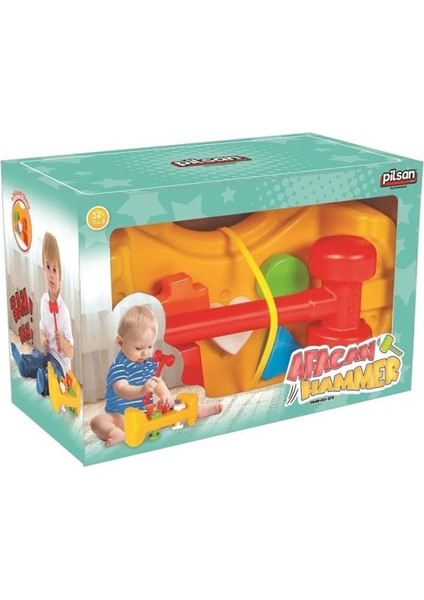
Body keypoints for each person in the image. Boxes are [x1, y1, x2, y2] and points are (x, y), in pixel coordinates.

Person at [91, 305, 222, 447]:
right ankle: (115, 432)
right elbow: (122, 389)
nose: (145, 353)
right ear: (120, 342)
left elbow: (157, 382)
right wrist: (142, 390)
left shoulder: (148, 362)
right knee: (97, 421)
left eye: (150, 346)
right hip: (123, 417)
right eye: (138, 348)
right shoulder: (119, 366)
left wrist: (165, 396)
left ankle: (196, 410)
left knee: (175, 404)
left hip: (148, 413)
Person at [11, 232, 74, 396]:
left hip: (60, 363)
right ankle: (24, 364)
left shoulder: (64, 312)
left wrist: (63, 343)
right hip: (47, 354)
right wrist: (44, 338)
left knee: (53, 375)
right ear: (43, 270)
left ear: (60, 276)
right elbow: (41, 327)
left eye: (55, 269)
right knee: (37, 359)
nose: (51, 274)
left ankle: (44, 383)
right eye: (47, 267)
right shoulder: (44, 300)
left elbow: (71, 353)